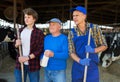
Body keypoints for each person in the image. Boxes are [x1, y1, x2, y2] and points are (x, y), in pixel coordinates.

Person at [68, 6, 108, 82]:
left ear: (84, 16)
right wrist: (80, 61)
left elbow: (104, 45)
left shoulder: (94, 28)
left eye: (77, 15)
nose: (74, 18)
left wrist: (93, 50)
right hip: (78, 65)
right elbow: (71, 51)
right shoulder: (72, 32)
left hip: (91, 66)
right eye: (73, 16)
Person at [14, 8, 44, 82]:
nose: (26, 19)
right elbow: (14, 45)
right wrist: (16, 44)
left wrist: (27, 57)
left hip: (33, 64)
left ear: (34, 19)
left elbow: (40, 49)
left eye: (28, 17)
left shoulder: (39, 32)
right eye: (25, 17)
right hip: (20, 63)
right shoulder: (20, 31)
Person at [42, 18, 69, 82]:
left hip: (59, 71)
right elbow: (44, 52)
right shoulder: (47, 38)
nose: (51, 26)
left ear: (59, 27)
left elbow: (66, 55)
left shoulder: (64, 38)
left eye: (53, 24)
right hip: (47, 69)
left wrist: (53, 54)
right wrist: (41, 58)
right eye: (50, 25)